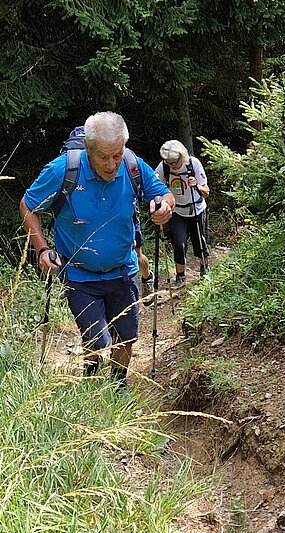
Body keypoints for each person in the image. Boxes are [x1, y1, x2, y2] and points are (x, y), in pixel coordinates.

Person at [20, 111, 175, 386]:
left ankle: (117, 386)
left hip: (123, 271)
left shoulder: (132, 166)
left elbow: (164, 193)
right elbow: (28, 206)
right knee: (97, 338)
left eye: (117, 155)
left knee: (126, 337)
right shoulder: (63, 170)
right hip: (80, 275)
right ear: (88, 150)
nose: (112, 164)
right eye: (104, 157)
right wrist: (42, 249)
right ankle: (90, 383)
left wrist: (164, 206)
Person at [156, 139, 210, 289]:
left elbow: (206, 192)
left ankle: (204, 268)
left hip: (196, 207)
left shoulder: (193, 164)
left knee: (200, 241)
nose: (171, 165)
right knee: (179, 244)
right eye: (168, 162)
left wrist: (197, 185)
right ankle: (180, 276)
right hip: (177, 210)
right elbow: (154, 185)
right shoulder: (164, 167)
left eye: (173, 162)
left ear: (182, 157)